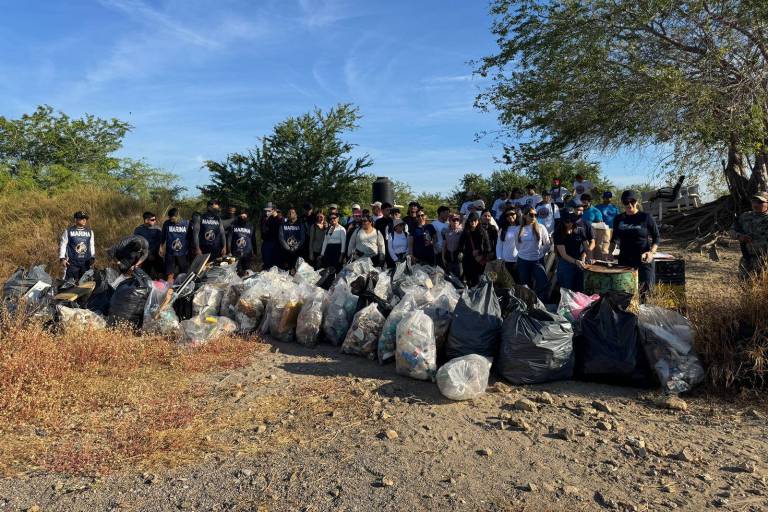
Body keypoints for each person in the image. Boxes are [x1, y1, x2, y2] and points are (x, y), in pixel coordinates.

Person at [609, 190, 660, 297]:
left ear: (637, 202)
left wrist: (651, 253)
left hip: (643, 260)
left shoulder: (645, 217)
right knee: (625, 293)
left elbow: (656, 237)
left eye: (632, 201)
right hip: (625, 260)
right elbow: (614, 239)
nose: (630, 205)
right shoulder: (619, 219)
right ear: (623, 203)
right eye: (626, 202)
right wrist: (609, 253)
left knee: (646, 294)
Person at [513, 207, 552, 301]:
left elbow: (547, 243)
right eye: (531, 215)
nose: (534, 217)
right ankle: (527, 304)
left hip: (537, 260)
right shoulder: (518, 229)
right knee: (525, 284)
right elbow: (517, 246)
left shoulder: (541, 227)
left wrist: (541, 253)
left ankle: (541, 304)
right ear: (525, 216)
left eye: (535, 215)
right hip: (523, 260)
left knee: (543, 282)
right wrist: (525, 253)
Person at [554, 211, 594, 292]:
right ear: (562, 221)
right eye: (567, 222)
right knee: (567, 290)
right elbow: (563, 255)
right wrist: (576, 262)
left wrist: (589, 257)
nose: (570, 224)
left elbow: (586, 247)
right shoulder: (558, 233)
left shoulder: (580, 230)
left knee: (579, 288)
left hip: (578, 261)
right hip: (565, 263)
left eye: (572, 221)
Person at [732, 192, 768, 279]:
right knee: (744, 287)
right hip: (747, 259)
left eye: (759, 202)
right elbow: (731, 230)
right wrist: (739, 236)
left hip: (765, 261)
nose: (755, 204)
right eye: (753, 201)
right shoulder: (745, 216)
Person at [59, 210, 96, 281]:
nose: (84, 220)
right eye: (82, 218)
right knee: (68, 284)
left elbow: (91, 245)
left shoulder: (90, 231)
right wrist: (62, 258)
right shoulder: (68, 231)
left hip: (86, 263)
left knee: (85, 284)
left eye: (85, 218)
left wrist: (93, 257)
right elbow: (63, 244)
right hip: (72, 263)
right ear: (76, 219)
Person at [460, 212, 493, 287]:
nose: (473, 222)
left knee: (478, 281)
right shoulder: (465, 232)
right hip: (467, 260)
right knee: (468, 282)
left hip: (479, 261)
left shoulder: (483, 232)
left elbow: (488, 248)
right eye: (471, 220)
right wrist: (469, 252)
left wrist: (479, 252)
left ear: (478, 221)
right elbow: (460, 246)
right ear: (468, 221)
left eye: (475, 220)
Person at [159, 208, 189, 284]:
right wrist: (161, 247)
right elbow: (163, 236)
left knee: (184, 272)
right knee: (170, 274)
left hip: (182, 253)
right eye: (169, 218)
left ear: (177, 216)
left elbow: (190, 237)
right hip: (170, 252)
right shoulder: (167, 223)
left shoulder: (186, 223)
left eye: (172, 219)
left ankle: (183, 287)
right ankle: (168, 290)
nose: (171, 220)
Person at [133, 211, 163, 278]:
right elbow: (136, 242)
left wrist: (160, 248)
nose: (154, 221)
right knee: (146, 274)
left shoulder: (157, 229)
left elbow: (160, 241)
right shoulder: (138, 229)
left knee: (160, 272)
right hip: (144, 256)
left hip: (156, 255)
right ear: (146, 220)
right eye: (152, 220)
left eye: (155, 219)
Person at [228, 210, 257, 275]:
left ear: (247, 216)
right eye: (242, 214)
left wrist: (255, 252)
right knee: (237, 272)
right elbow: (229, 239)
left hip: (248, 254)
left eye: (245, 215)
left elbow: (253, 240)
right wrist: (229, 251)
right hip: (236, 253)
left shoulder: (251, 226)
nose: (243, 216)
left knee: (248, 272)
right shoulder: (233, 225)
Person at [496, 208, 520, 283]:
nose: (510, 216)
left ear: (516, 214)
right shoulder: (502, 229)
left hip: (518, 261)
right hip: (505, 262)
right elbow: (499, 245)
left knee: (519, 283)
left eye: (512, 214)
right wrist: (499, 259)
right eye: (507, 215)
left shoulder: (522, 228)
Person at [260, 202, 280, 270]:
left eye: (269, 211)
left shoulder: (279, 218)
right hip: (267, 243)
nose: (267, 212)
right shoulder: (264, 218)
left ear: (274, 210)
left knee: (276, 264)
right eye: (266, 211)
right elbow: (263, 231)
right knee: (266, 263)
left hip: (276, 244)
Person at [442, 214, 464, 279]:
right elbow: (444, 246)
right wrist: (443, 258)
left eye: (457, 220)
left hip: (458, 258)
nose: (455, 222)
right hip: (448, 257)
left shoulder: (462, 232)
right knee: (449, 277)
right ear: (450, 221)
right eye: (454, 220)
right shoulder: (445, 231)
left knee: (459, 276)